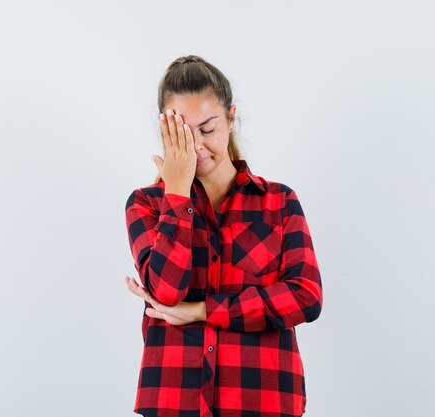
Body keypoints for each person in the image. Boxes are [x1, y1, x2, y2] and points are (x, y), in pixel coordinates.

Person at [123, 55, 323, 417]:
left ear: (231, 119)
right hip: (173, 400)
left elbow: (305, 297)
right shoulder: (146, 205)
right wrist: (178, 193)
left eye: (207, 128)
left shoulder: (278, 202)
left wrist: (202, 311)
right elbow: (167, 290)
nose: (196, 146)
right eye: (182, 131)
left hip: (261, 399)